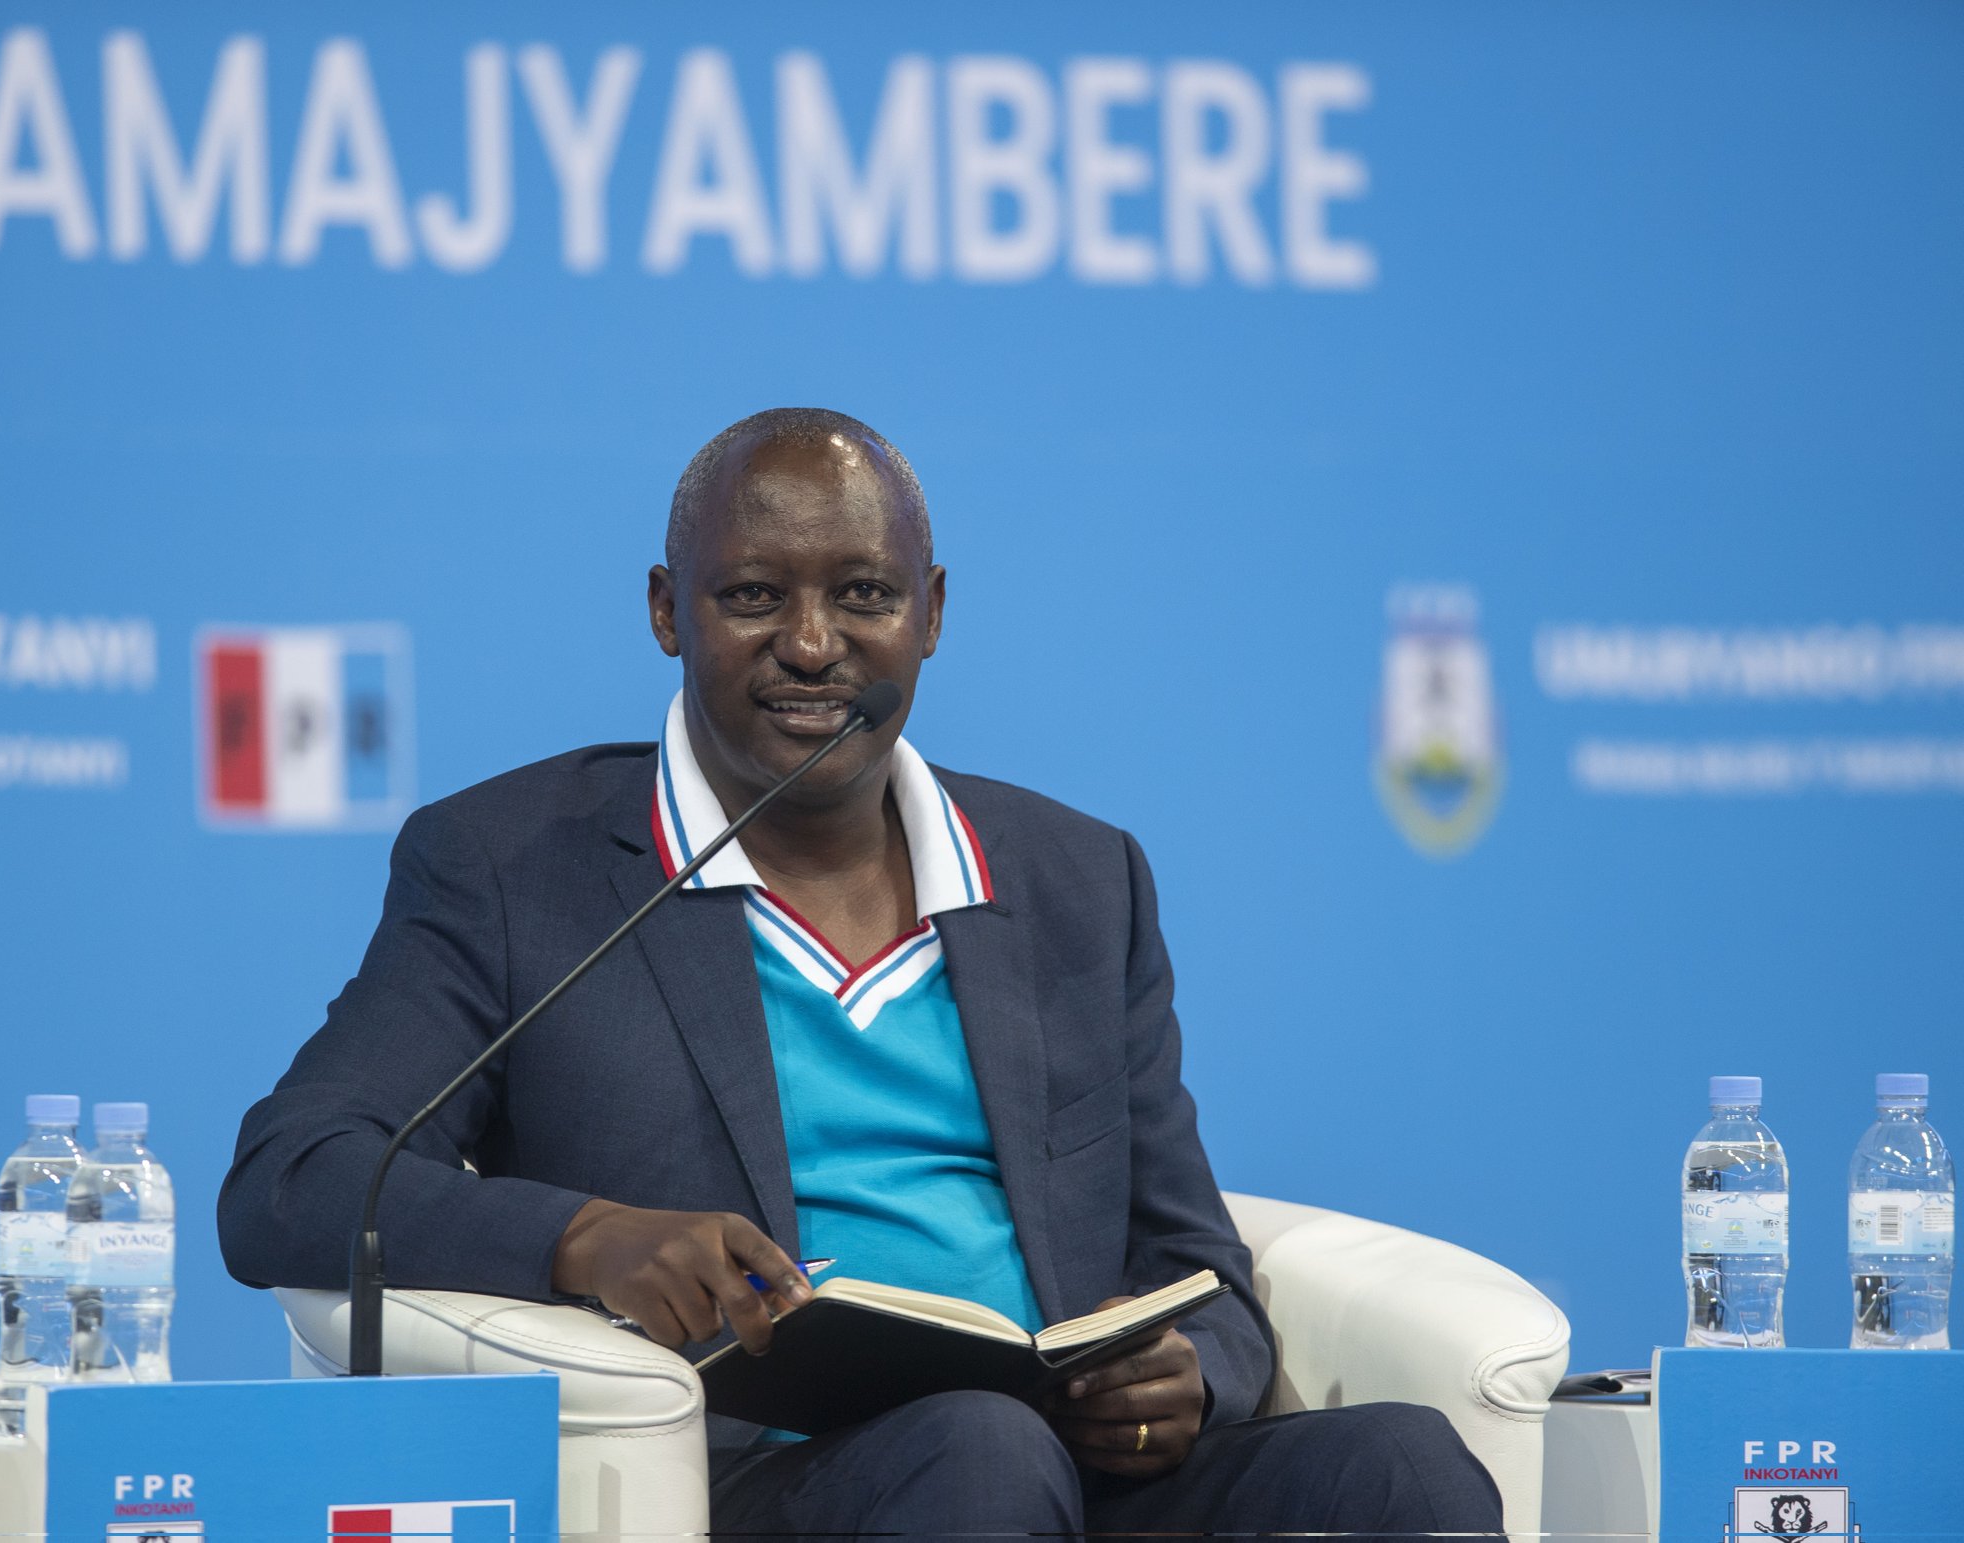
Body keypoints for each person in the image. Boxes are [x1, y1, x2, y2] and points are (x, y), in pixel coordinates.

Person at [219, 407, 1503, 1538]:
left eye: (863, 596)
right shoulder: (516, 867)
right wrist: (587, 1238)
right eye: (751, 596)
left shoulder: (1074, 876)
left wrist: (1193, 1372)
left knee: (1402, 1466)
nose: (811, 644)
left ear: (930, 613)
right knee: (977, 1448)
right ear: (666, 610)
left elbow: (1191, 1255)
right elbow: (293, 1176)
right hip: (752, 1486)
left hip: (1070, 1468)